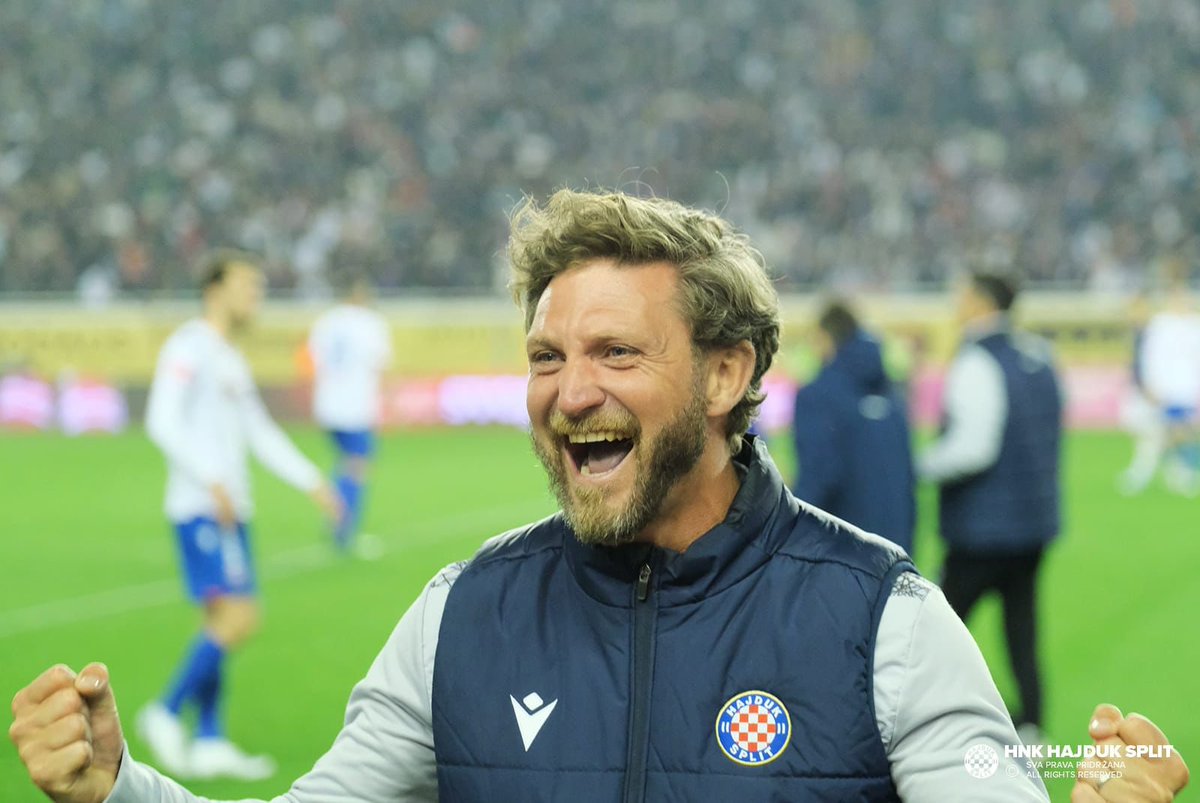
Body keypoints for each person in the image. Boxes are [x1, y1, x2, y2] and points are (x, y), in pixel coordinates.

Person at [6, 190, 1098, 801]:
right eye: (545, 356)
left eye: (616, 351)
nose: (571, 392)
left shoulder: (885, 618)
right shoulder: (462, 615)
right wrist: (120, 788)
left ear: (727, 373)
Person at [138, 251, 340, 781]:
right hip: (202, 508)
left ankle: (208, 739)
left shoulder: (228, 357)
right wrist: (210, 479)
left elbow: (260, 432)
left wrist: (312, 481)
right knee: (239, 617)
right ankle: (163, 711)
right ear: (215, 289)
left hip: (230, 508)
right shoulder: (189, 346)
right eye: (248, 285)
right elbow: (161, 419)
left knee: (218, 621)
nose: (257, 295)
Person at [918, 270, 1062, 748]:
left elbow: (973, 448)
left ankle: (933, 722)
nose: (956, 302)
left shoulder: (976, 360)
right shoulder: (1038, 355)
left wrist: (916, 466)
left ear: (980, 302)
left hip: (983, 527)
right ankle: (1033, 727)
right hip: (1034, 521)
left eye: (962, 294)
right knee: (1021, 629)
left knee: (933, 626)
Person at [791, 300, 916, 553]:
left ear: (825, 338)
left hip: (843, 553)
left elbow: (819, 475)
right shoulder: (892, 395)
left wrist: (789, 532)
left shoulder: (818, 395)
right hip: (896, 548)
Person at [307, 275, 393, 551]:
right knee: (357, 466)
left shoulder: (326, 322)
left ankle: (337, 519)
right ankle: (342, 530)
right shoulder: (370, 323)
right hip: (355, 406)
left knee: (346, 463)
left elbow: (312, 359)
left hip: (327, 404)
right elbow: (380, 364)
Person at [1139, 264, 1200, 497]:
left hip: (1188, 386)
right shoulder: (1160, 324)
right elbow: (1150, 356)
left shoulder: (1194, 325)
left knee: (1185, 430)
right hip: (1167, 386)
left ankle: (1181, 469)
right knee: (1172, 429)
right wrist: (1150, 383)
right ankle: (1175, 470)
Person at [1116, 293, 1166, 495]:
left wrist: (1151, 388)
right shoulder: (1138, 333)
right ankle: (1175, 470)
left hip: (1149, 390)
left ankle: (1141, 474)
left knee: (1151, 435)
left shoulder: (1153, 334)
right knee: (1150, 434)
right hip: (1140, 390)